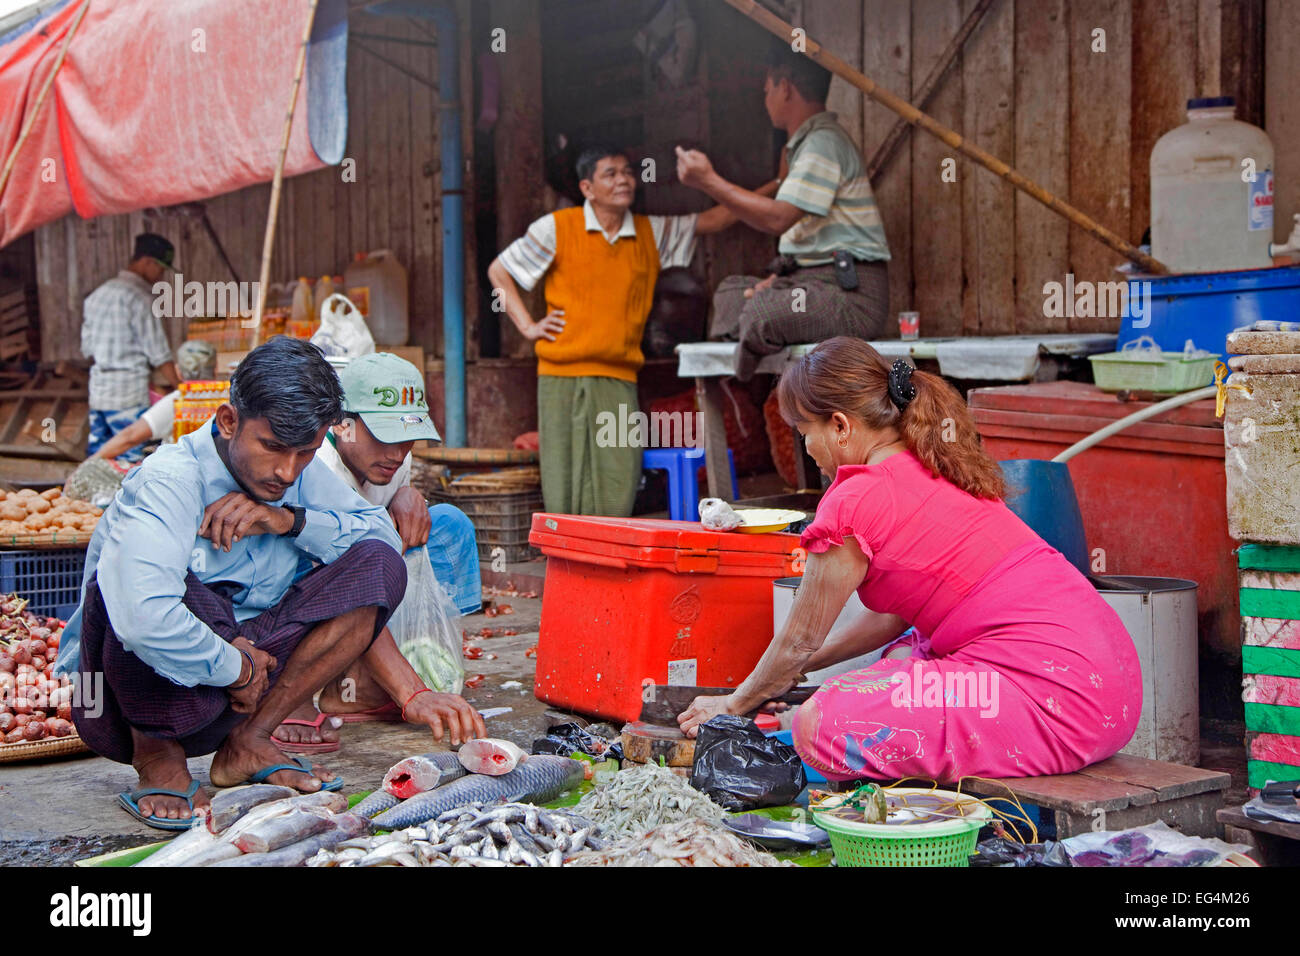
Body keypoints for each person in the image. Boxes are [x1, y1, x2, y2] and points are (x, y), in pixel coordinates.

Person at [53, 337, 485, 829]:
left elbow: (380, 540)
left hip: (243, 686)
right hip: (131, 693)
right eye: (273, 447)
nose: (286, 470)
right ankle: (157, 757)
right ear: (228, 421)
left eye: (304, 452)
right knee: (137, 586)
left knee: (374, 565)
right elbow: (142, 620)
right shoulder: (168, 480)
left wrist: (287, 521)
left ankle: (249, 741)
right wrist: (234, 666)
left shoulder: (297, 477)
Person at [678, 338, 1141, 783]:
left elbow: (799, 638)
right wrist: (789, 674)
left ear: (840, 425)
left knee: (819, 722)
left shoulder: (854, 499)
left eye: (805, 434)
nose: (808, 449)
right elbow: (891, 620)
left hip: (1057, 702)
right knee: (904, 652)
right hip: (1112, 684)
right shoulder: (936, 464)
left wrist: (734, 704)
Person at [487, 145, 774, 516]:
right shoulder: (558, 227)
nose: (624, 179)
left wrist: (778, 185)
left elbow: (714, 221)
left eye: (627, 172)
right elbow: (500, 270)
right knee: (563, 479)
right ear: (587, 188)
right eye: (611, 173)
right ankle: (571, 559)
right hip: (560, 375)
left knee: (618, 479)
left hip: (619, 376)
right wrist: (527, 326)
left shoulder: (648, 232)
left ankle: (607, 558)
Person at [274, 352, 483, 750]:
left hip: (364, 567)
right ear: (342, 424)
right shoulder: (314, 467)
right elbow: (350, 574)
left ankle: (413, 663)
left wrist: (405, 494)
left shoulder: (392, 461)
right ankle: (329, 686)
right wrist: (411, 693)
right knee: (358, 560)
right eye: (385, 436)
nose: (398, 453)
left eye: (407, 438)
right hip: (301, 593)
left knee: (448, 525)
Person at [675, 44, 892, 381]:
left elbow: (779, 218)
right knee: (730, 294)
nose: (766, 100)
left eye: (767, 90)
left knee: (763, 312)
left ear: (785, 87)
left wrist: (708, 181)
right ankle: (759, 323)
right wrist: (779, 282)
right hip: (808, 287)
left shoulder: (823, 143)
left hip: (851, 297)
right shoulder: (804, 147)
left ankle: (746, 378)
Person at [81, 233, 183, 459]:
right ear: (146, 262)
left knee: (98, 462)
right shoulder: (141, 299)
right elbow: (159, 355)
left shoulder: (96, 296)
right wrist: (181, 389)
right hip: (128, 394)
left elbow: (87, 348)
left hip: (99, 390)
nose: (161, 275)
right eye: (160, 268)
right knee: (128, 460)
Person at [90, 339, 219, 461]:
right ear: (216, 369)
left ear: (178, 371)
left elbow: (129, 437)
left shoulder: (178, 400)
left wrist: (89, 463)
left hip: (179, 477)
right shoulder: (231, 397)